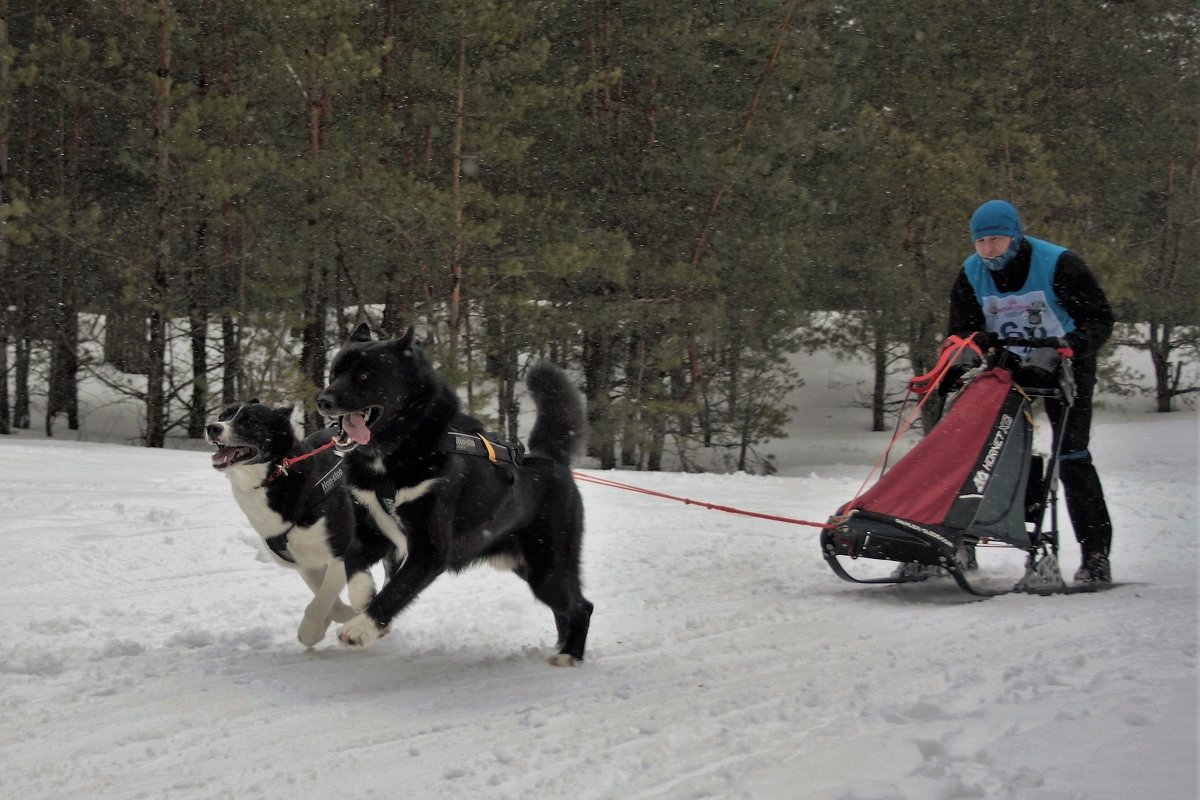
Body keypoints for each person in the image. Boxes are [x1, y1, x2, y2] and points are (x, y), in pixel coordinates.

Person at [948, 199, 1115, 584]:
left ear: (1016, 237)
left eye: (996, 240)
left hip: (1066, 365)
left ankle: (1095, 556)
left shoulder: (1059, 264)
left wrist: (1070, 344)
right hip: (1007, 367)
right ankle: (960, 540)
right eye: (982, 241)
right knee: (977, 453)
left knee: (1071, 455)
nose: (989, 249)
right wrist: (968, 348)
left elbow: (1100, 318)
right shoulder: (972, 273)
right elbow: (961, 329)